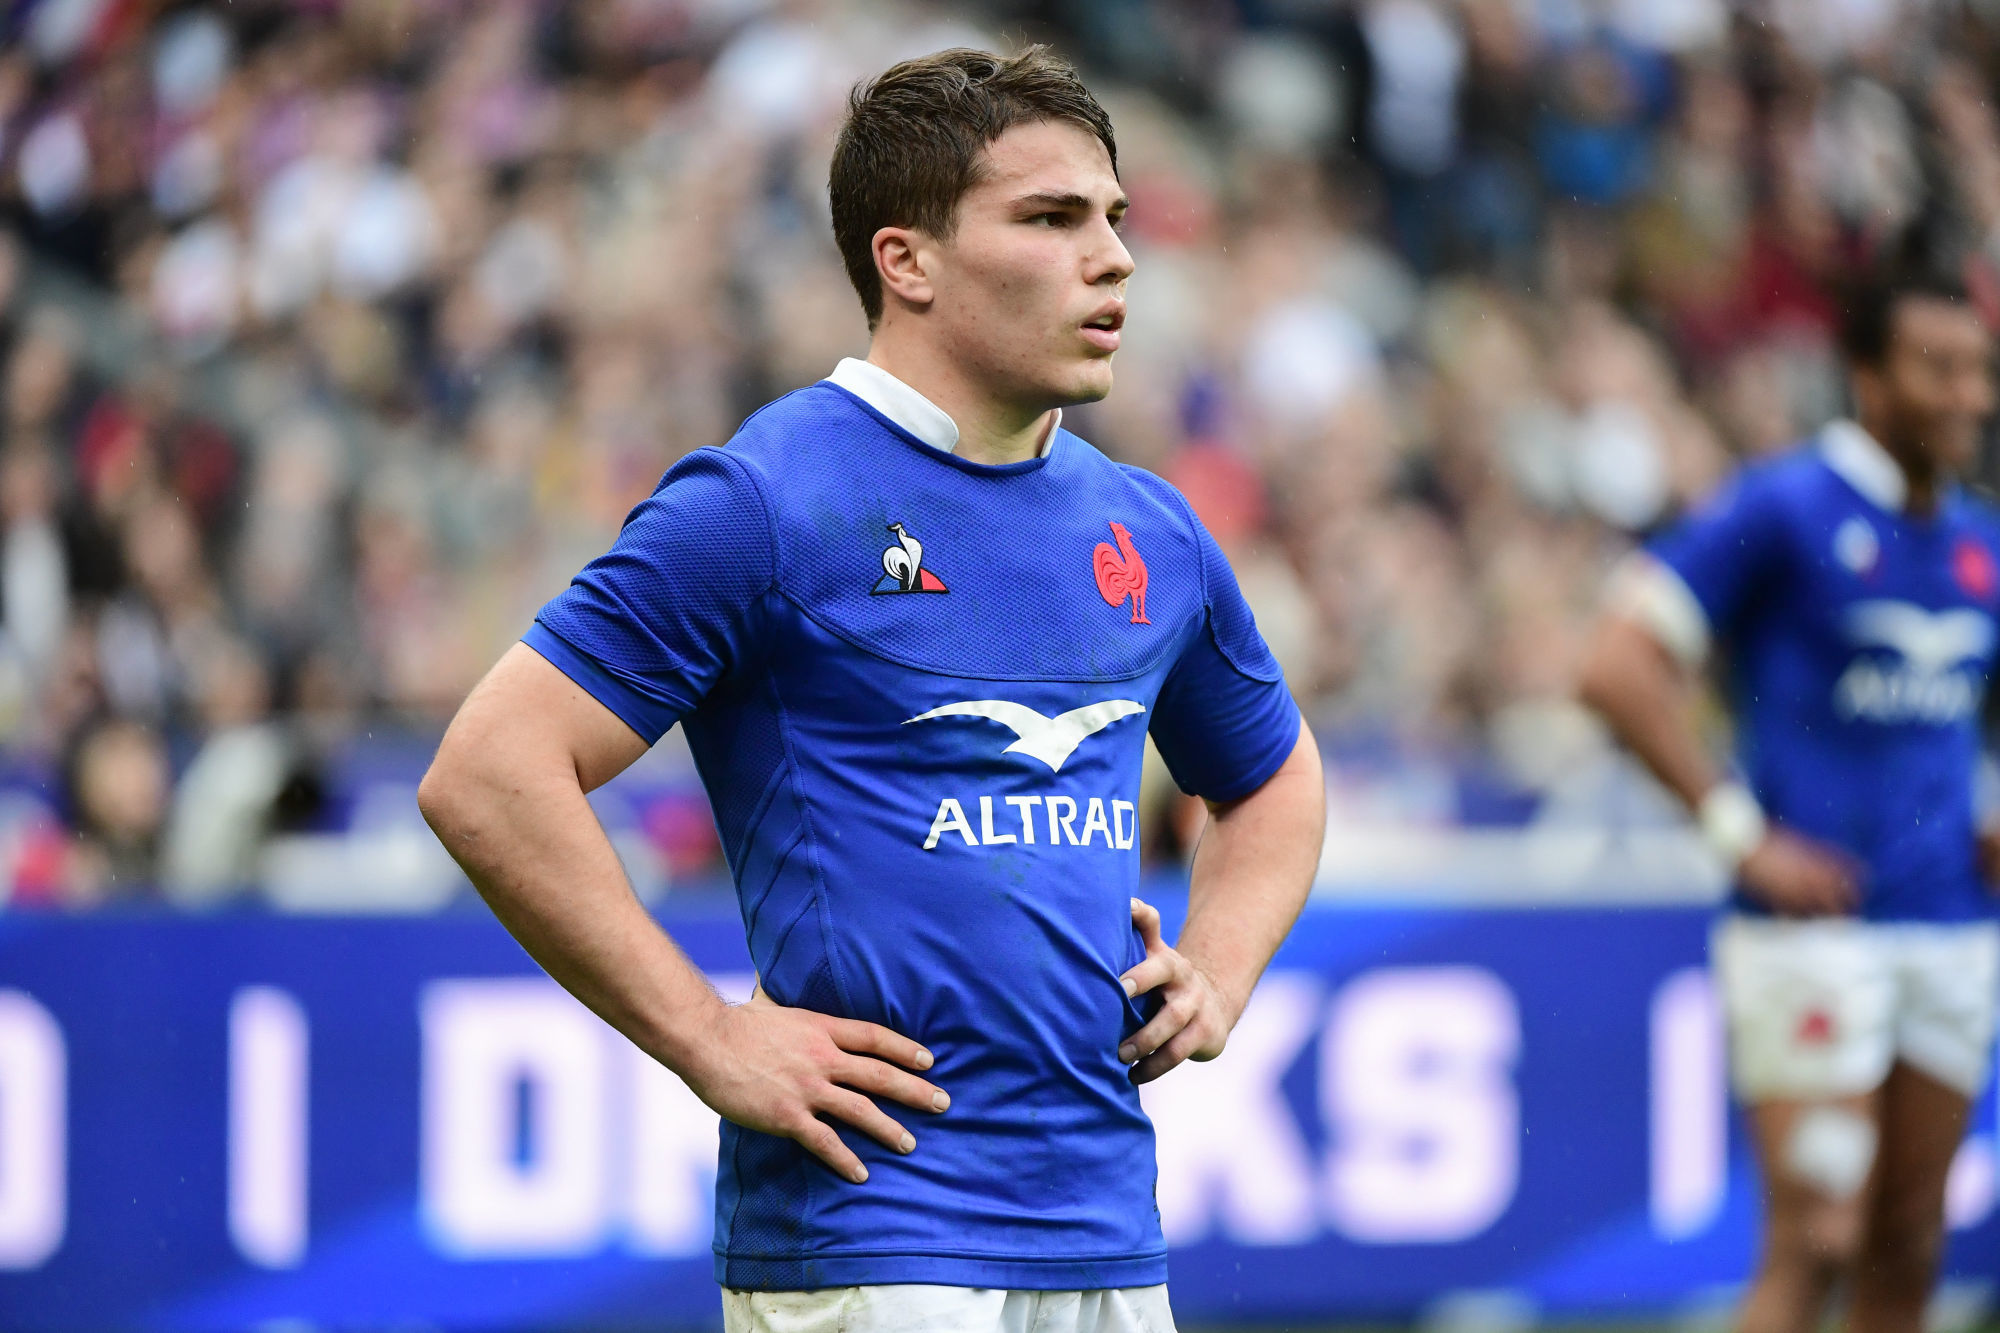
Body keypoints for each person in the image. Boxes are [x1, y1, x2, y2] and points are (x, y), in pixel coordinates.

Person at [418, 46, 1324, 1333]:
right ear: (906, 262)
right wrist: (707, 1035)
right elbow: (490, 770)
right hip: (871, 1237)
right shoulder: (766, 500)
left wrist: (1220, 970)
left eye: (1112, 218)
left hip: (1108, 1232)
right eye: (1050, 218)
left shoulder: (1149, 529)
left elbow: (1273, 777)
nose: (1113, 258)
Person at [1577, 268, 2000, 1333]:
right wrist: (1741, 835)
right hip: (1810, 929)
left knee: (1909, 1245)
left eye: (1978, 370)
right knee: (1819, 1235)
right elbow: (1615, 667)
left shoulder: (1979, 539)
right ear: (1866, 374)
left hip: (1948, 922)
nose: (1969, 395)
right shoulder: (1784, 505)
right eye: (1938, 369)